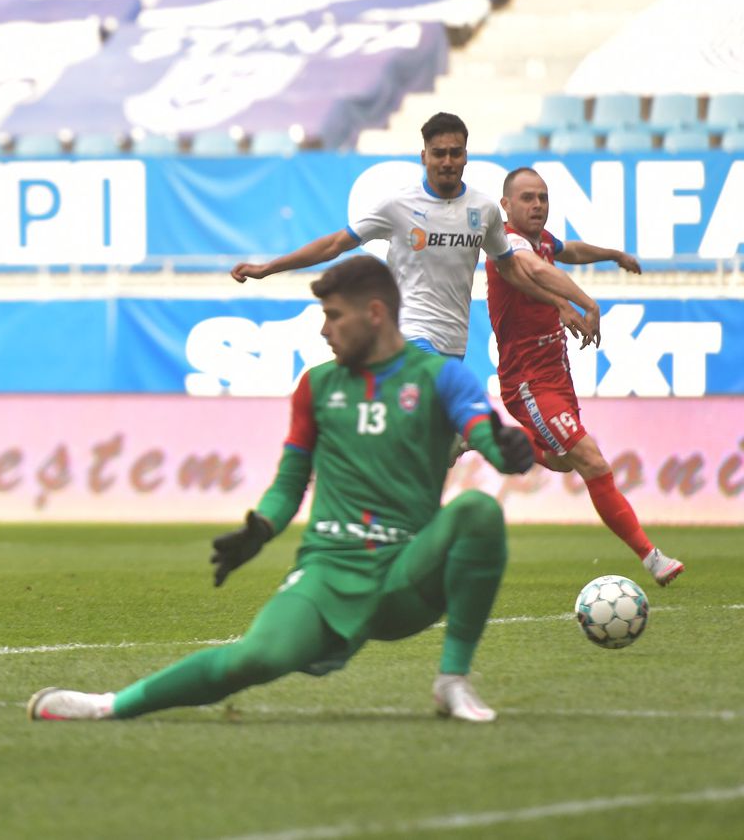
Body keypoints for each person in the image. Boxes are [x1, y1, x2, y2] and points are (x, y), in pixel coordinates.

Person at [29, 256, 535, 725]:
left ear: (375, 314)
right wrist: (261, 528)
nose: (324, 329)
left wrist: (505, 448)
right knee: (251, 659)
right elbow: (291, 481)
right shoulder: (317, 386)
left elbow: (485, 435)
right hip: (328, 569)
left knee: (477, 510)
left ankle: (452, 681)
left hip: (407, 573)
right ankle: (108, 706)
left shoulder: (441, 377)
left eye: (334, 316)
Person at [231, 112, 602, 359]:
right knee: (431, 404)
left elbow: (512, 270)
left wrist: (558, 303)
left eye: (455, 153)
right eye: (438, 153)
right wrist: (268, 268)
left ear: (466, 156)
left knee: (435, 441)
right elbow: (334, 245)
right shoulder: (398, 206)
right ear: (424, 156)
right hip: (408, 332)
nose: (447, 161)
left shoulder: (484, 210)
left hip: (454, 340)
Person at [487, 167, 684, 587]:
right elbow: (535, 271)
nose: (537, 204)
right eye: (527, 198)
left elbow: (568, 250)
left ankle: (483, 435)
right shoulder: (508, 243)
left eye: (542, 197)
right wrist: (585, 302)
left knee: (563, 461)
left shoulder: (541, 241)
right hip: (527, 380)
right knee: (591, 461)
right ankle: (652, 557)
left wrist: (613, 254)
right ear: (506, 205)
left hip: (556, 375)